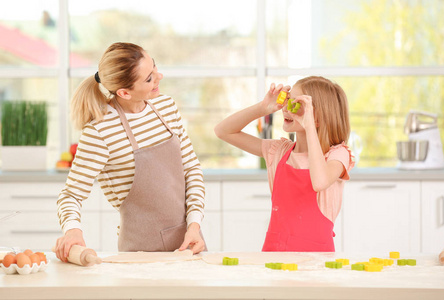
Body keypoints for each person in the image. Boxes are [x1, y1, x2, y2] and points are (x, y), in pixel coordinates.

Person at [55, 42, 206, 262]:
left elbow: (192, 170)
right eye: (149, 78)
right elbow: (70, 196)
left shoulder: (166, 107)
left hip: (190, 243)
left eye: (154, 67)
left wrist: (194, 225)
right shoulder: (100, 131)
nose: (159, 76)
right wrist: (72, 230)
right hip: (139, 255)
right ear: (124, 92)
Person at [215, 76, 354, 252]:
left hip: (317, 259)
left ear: (317, 118)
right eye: (288, 100)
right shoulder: (278, 151)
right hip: (275, 254)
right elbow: (222, 131)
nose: (287, 108)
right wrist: (262, 108)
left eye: (297, 104)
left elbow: (319, 182)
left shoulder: (337, 155)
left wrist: (309, 125)